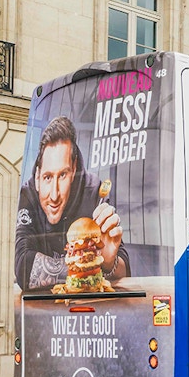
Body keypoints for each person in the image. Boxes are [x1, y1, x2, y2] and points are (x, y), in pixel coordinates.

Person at [15, 116, 129, 290]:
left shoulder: (94, 191)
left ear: (74, 168)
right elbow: (23, 267)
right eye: (47, 177)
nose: (54, 195)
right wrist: (91, 264)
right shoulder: (28, 193)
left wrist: (108, 262)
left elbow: (124, 269)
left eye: (62, 175)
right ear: (38, 176)